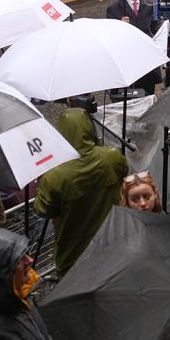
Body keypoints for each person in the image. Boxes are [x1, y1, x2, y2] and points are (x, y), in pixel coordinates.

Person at [34, 107, 128, 277]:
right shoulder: (112, 157)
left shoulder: (54, 175)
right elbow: (124, 172)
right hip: (111, 245)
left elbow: (43, 209)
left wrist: (41, 184)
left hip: (73, 256)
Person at [107, 0, 161, 93]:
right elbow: (109, 36)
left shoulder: (150, 4)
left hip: (147, 62)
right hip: (127, 62)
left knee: (148, 97)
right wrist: (119, 25)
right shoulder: (113, 8)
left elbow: (156, 29)